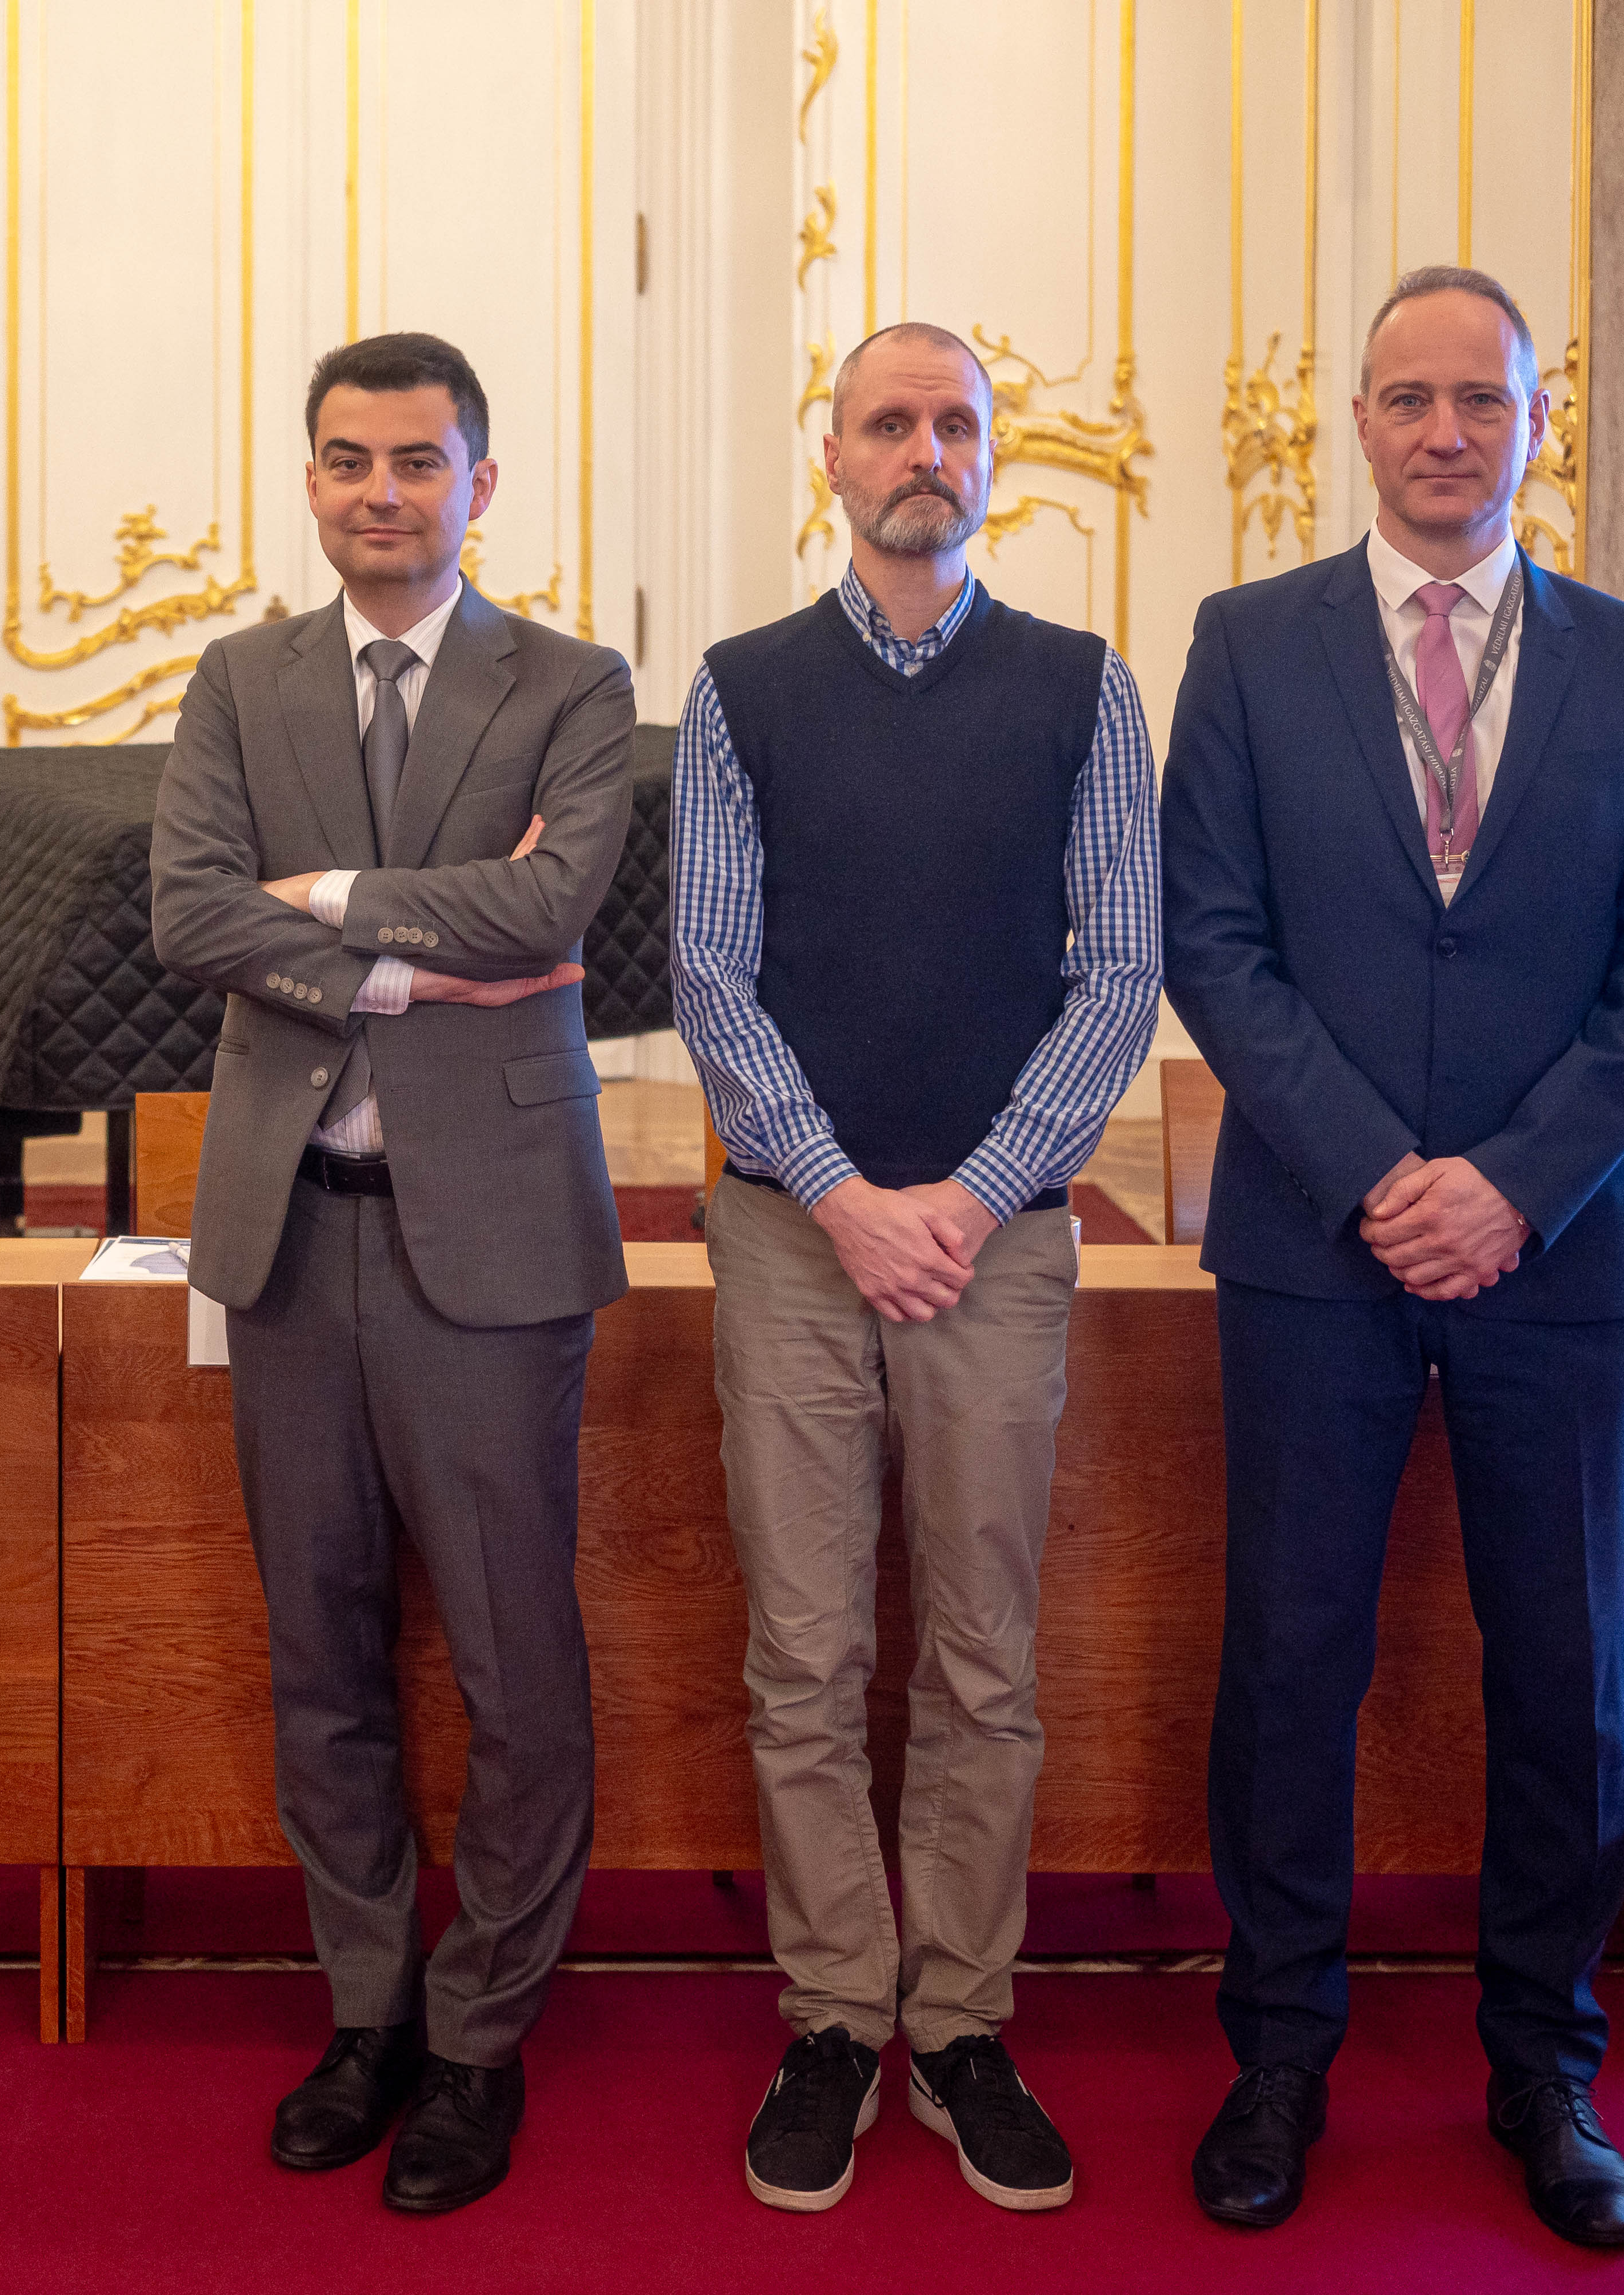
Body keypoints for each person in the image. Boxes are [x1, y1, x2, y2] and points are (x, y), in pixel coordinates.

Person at [1161, 266, 1624, 2249]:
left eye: (1479, 400)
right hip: (1313, 1249)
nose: (1442, 432)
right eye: (1407, 398)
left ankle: (1545, 2064)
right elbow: (1211, 936)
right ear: (1359, 423)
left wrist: (1512, 1183)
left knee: (1561, 1669)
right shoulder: (1247, 646)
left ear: (1534, 424)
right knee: (1289, 1660)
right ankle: (1279, 2055)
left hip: (1554, 1254)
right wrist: (1376, 1174)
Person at [672, 321, 1159, 2218]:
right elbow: (713, 972)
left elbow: (1119, 972)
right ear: (835, 459)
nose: (925, 451)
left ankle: (958, 2020)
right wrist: (843, 1194)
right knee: (804, 1655)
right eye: (891, 422)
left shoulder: (1083, 689)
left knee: (981, 1656)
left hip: (998, 1244)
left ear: (991, 460)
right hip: (793, 1240)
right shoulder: (741, 690)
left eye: (957, 423)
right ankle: (830, 2017)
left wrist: (970, 1193)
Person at [150, 331, 635, 2217]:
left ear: (478, 485)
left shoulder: (573, 684)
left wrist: (329, 900)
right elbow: (192, 913)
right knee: (322, 1651)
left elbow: (553, 902)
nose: (382, 492)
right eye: (349, 461)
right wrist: (421, 958)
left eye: (419, 462)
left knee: (515, 1661)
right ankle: (370, 2010)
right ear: (312, 483)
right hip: (287, 1234)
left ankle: (484, 2035)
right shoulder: (238, 679)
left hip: (494, 1243)